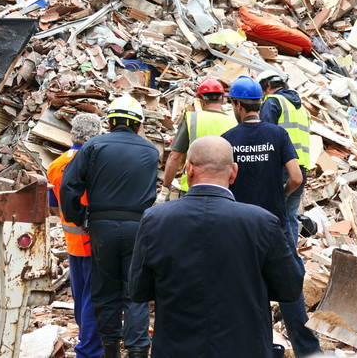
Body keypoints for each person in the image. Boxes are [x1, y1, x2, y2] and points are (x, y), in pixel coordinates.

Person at [129, 136, 303, 357]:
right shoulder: (262, 222)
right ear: (233, 172)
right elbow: (289, 288)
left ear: (188, 169)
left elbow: (138, 290)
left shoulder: (155, 219)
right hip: (244, 348)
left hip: (176, 348)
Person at [221, 76, 322, 357]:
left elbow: (223, 184)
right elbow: (296, 177)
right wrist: (280, 196)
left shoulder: (228, 140)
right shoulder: (278, 135)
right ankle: (309, 351)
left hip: (241, 230)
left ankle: (261, 348)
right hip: (274, 226)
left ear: (237, 105)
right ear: (260, 103)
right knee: (289, 288)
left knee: (251, 292)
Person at [61, 95, 159, 358]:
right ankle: (137, 351)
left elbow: (69, 185)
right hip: (138, 227)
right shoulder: (151, 151)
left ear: (111, 121)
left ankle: (111, 351)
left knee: (105, 291)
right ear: (138, 125)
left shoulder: (94, 146)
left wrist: (79, 217)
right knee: (135, 292)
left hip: (102, 228)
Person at [47, 113, 103, 358]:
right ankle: (89, 349)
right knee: (95, 296)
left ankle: (85, 337)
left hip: (71, 240)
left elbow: (52, 206)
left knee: (81, 296)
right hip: (93, 240)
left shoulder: (56, 164)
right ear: (95, 135)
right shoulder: (96, 163)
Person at [158, 77, 236, 201]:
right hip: (225, 188)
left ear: (200, 99)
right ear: (222, 98)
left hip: (193, 187)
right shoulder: (234, 121)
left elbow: (175, 156)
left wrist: (165, 189)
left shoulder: (192, 119)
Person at [258, 70, 311, 245]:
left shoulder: (272, 102)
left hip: (282, 168)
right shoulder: (300, 107)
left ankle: (276, 261)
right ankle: (292, 261)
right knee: (290, 216)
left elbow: (265, 135)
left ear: (267, 86)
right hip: (301, 169)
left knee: (273, 216)